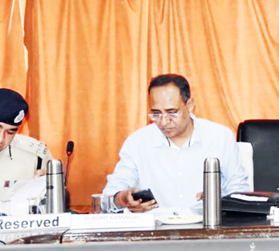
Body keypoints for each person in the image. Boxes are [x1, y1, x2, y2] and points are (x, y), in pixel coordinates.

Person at [103, 74, 249, 212]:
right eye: (156, 113)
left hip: (208, 227)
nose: (164, 121)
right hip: (155, 232)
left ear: (190, 105)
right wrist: (124, 199)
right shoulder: (138, 142)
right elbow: (109, 196)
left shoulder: (219, 137)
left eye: (172, 112)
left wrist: (220, 201)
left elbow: (239, 191)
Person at [0, 88, 53, 210]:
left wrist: (51, 189)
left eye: (10, 132)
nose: (0, 139)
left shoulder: (36, 156)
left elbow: (59, 203)